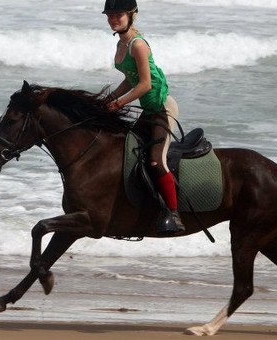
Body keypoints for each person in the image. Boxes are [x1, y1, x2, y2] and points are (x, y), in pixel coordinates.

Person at [103, 0, 184, 235]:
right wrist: (109, 99)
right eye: (109, 15)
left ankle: (173, 212)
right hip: (148, 110)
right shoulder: (121, 43)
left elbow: (146, 84)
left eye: (118, 15)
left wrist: (119, 103)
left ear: (131, 16)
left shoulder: (138, 45)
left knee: (156, 161)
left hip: (162, 108)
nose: (113, 19)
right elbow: (130, 78)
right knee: (128, 150)